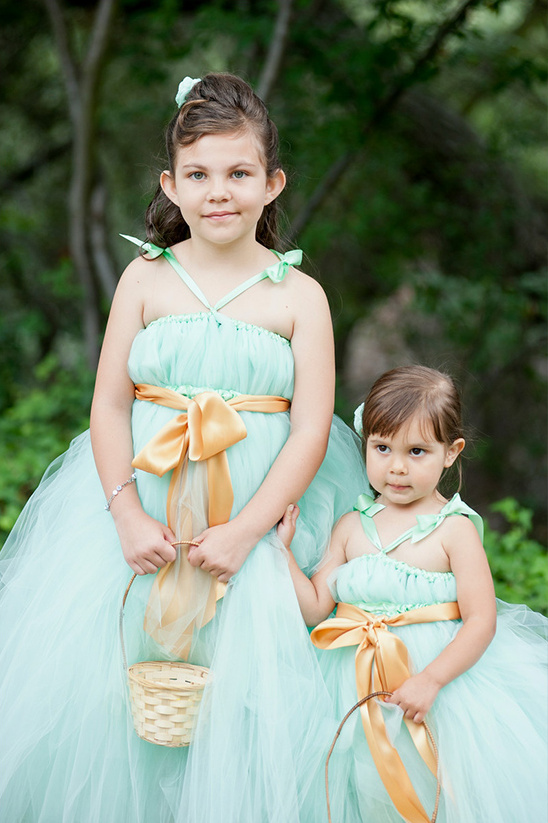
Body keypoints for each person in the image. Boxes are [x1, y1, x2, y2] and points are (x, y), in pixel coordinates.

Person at [0, 74, 367, 823]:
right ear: (171, 183)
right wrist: (126, 513)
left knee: (244, 691)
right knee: (120, 683)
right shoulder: (146, 279)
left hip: (252, 522)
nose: (218, 192)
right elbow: (109, 403)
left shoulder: (298, 296)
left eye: (238, 173)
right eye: (198, 175)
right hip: (147, 516)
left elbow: (311, 425)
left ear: (272, 184)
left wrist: (247, 530)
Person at [278, 365, 548, 823]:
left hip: (433, 685)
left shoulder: (454, 530)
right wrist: (281, 554)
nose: (397, 466)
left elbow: (481, 620)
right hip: (347, 688)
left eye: (417, 451)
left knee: (432, 792)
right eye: (382, 448)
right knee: (351, 794)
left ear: (450, 452)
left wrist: (432, 680)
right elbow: (316, 607)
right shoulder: (350, 527)